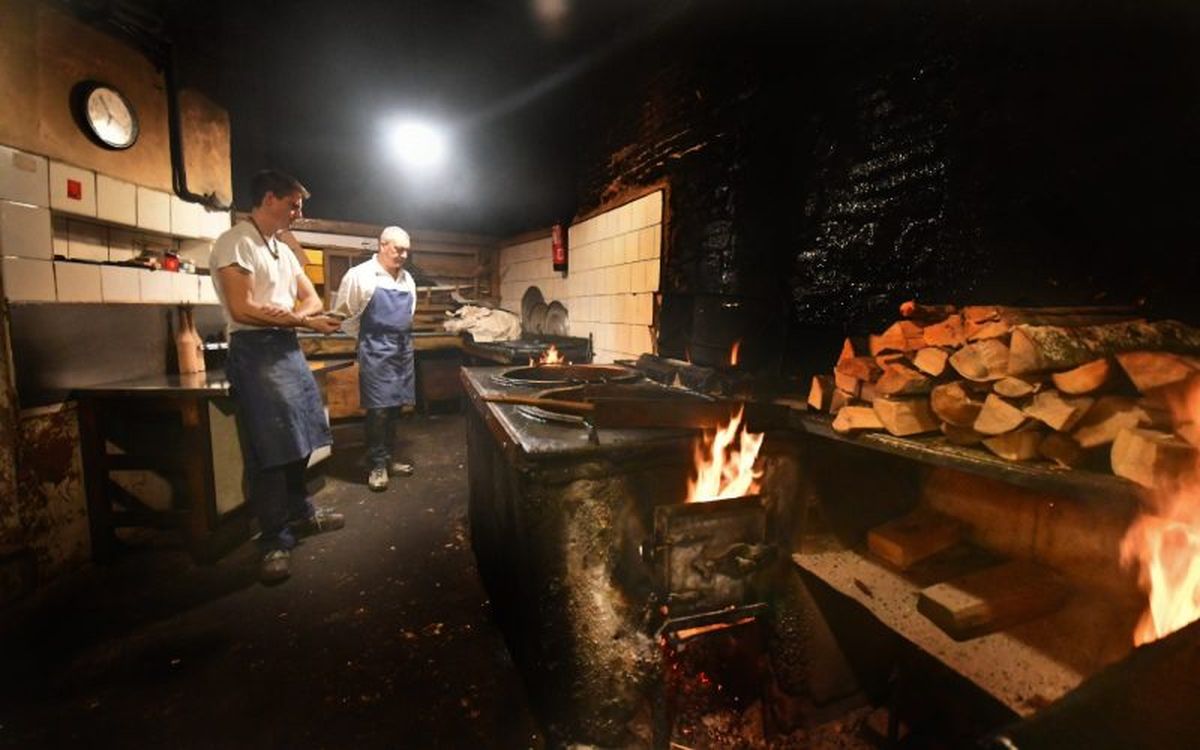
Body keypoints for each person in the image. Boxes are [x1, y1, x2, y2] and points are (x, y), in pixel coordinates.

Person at [209, 169, 345, 584]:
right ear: (269, 199)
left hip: (286, 348)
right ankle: (273, 540)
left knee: (301, 437)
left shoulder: (282, 250)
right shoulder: (236, 242)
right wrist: (301, 320)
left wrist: (290, 318)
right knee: (268, 450)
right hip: (254, 353)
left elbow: (311, 298)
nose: (298, 213)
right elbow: (241, 309)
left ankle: (301, 513)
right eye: (293, 204)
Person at [333, 226, 418, 491]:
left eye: (406, 250)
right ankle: (377, 465)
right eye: (398, 249)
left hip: (402, 350)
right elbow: (345, 317)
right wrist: (372, 339)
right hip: (376, 348)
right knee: (378, 410)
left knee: (395, 408)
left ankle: (389, 458)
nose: (403, 255)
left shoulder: (407, 279)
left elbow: (410, 313)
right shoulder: (359, 275)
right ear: (382, 245)